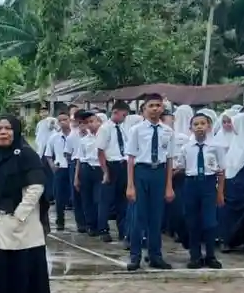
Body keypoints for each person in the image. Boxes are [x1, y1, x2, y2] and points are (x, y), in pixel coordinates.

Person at [0, 116, 53, 293]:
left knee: (23, 273)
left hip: (22, 225)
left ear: (16, 131)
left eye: (7, 128)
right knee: (4, 273)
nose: (3, 133)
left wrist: (19, 215)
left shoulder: (26, 154)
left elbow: (36, 187)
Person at [124, 93, 175, 271]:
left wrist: (169, 186)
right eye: (151, 105)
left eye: (158, 105)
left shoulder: (168, 131)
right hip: (141, 171)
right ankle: (135, 256)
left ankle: (155, 255)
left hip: (159, 173)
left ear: (162, 108)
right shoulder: (136, 130)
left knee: (156, 217)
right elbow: (130, 158)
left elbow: (169, 160)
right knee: (139, 217)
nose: (155, 109)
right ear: (144, 109)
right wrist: (130, 185)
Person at [180, 112, 226, 269]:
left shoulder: (216, 147)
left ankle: (211, 255)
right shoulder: (186, 148)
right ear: (191, 128)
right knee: (192, 222)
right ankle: (195, 256)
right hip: (191, 184)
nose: (199, 127)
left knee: (210, 222)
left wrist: (220, 192)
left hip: (208, 184)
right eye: (196, 124)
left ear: (209, 126)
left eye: (203, 123)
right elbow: (182, 167)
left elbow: (222, 171)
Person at [211, 110, 244, 253]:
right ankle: (226, 239)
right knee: (229, 211)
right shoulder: (236, 140)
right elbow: (229, 162)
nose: (231, 126)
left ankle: (243, 240)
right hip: (233, 181)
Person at [96, 101, 131, 243]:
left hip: (123, 164)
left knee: (122, 200)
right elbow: (100, 151)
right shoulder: (105, 128)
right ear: (115, 112)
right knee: (106, 200)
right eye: (123, 114)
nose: (125, 117)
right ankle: (103, 229)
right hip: (110, 165)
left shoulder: (123, 128)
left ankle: (123, 230)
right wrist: (105, 171)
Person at [73, 110, 102, 237]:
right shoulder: (84, 140)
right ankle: (91, 225)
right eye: (87, 122)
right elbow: (79, 159)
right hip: (86, 169)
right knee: (87, 199)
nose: (90, 125)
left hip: (100, 169)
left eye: (92, 121)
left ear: (99, 122)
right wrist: (76, 177)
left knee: (99, 199)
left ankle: (101, 225)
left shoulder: (104, 138)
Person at [45, 110, 72, 231]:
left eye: (65, 119)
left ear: (70, 120)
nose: (62, 122)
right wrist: (53, 167)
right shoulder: (54, 137)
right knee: (59, 197)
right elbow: (48, 154)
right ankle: (60, 220)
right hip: (60, 168)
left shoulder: (75, 136)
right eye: (60, 120)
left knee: (75, 197)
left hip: (73, 168)